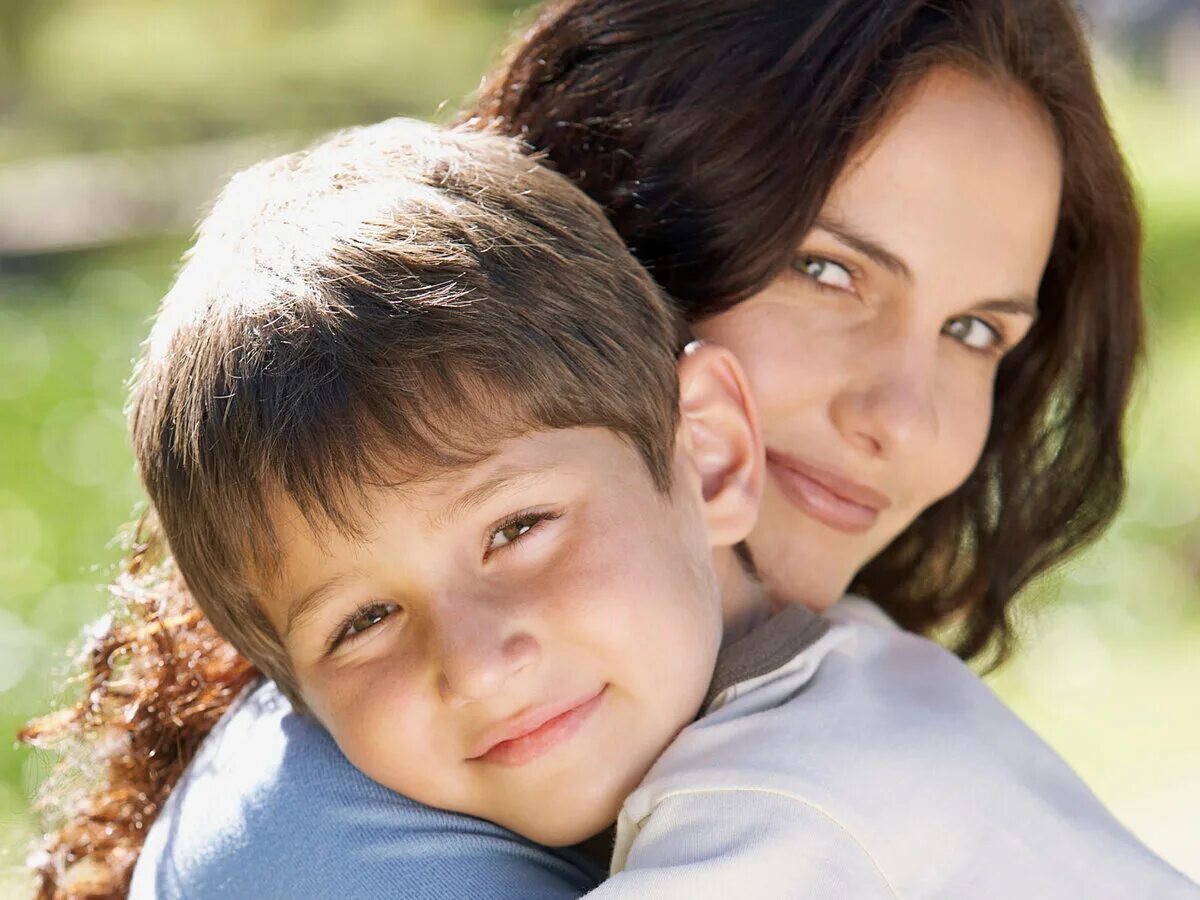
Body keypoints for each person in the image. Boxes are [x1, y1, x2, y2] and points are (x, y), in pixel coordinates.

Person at [22, 1, 1158, 897]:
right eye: (827, 270)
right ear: (608, 225)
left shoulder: (794, 715)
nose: (906, 421)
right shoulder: (341, 845)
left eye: (976, 333)